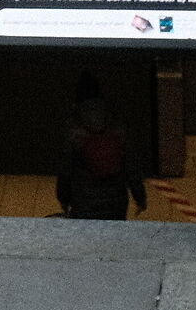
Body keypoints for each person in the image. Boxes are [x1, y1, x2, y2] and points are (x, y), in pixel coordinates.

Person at [56, 78, 145, 221]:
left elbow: (65, 171)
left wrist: (63, 199)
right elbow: (132, 168)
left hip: (84, 200)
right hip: (116, 201)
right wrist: (140, 198)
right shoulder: (116, 125)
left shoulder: (73, 129)